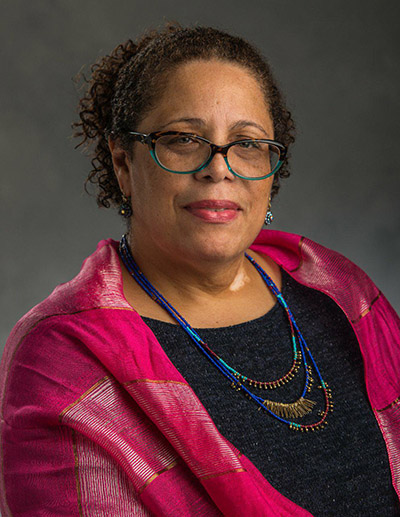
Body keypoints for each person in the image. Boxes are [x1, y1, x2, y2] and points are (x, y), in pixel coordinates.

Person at [1, 24, 399, 516]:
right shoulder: (62, 361)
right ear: (123, 163)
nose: (220, 168)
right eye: (185, 139)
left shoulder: (340, 294)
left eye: (248, 143)